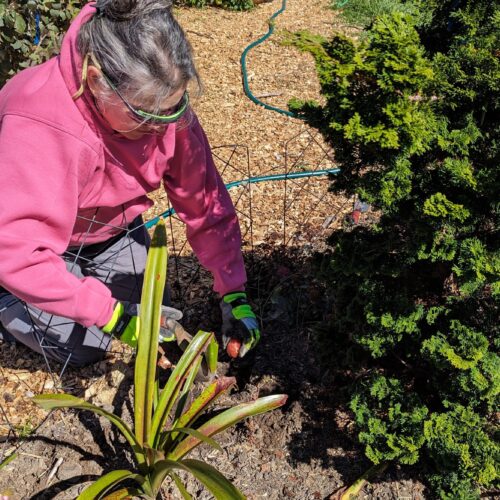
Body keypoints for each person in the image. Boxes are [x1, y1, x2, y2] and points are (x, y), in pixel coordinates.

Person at [0, 0, 260, 367]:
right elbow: (16, 250)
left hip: (110, 230)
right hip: (34, 244)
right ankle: (7, 300)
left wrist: (233, 290)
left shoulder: (163, 110)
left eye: (173, 108)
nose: (162, 126)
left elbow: (203, 202)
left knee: (160, 316)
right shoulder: (40, 121)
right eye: (144, 115)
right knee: (85, 348)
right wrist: (111, 316)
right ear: (96, 82)